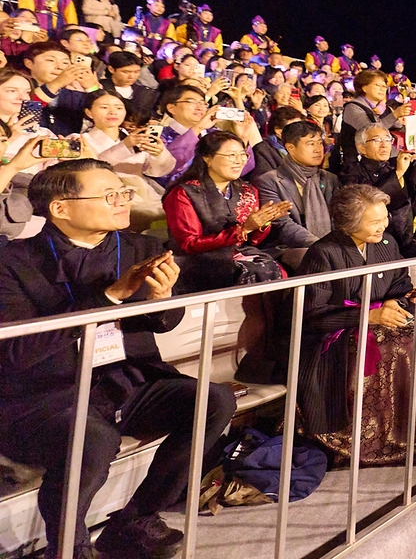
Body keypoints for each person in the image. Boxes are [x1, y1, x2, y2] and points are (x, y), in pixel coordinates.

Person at [0, 159, 236, 558]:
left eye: (124, 192)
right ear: (61, 207)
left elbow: (163, 323)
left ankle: (135, 522)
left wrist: (163, 300)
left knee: (214, 401)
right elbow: (16, 352)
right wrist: (109, 298)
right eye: (110, 195)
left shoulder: (142, 247)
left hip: (128, 378)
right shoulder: (13, 262)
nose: (123, 201)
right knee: (92, 438)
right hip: (48, 392)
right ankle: (70, 549)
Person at [295, 184, 416, 465]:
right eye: (374, 221)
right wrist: (368, 316)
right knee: (398, 348)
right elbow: (312, 314)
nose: (383, 225)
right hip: (336, 333)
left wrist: (393, 303)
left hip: (382, 317)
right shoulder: (324, 253)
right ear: (349, 223)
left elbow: (401, 283)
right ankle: (384, 436)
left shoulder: (386, 243)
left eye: (384, 218)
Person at [162, 131, 291, 291]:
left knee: (274, 268)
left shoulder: (247, 190)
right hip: (197, 259)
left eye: (243, 155)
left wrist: (262, 222)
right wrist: (243, 229)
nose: (240, 161)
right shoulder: (184, 193)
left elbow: (253, 241)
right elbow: (189, 244)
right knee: (252, 271)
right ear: (207, 158)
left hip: (238, 253)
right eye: (231, 155)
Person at [341, 123, 416, 257]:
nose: (384, 144)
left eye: (387, 139)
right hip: (373, 242)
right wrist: (398, 173)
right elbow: (368, 204)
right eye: (377, 140)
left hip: (405, 241)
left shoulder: (393, 165)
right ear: (361, 148)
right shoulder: (351, 171)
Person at [79, 90, 174, 229]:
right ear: (89, 113)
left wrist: (158, 154)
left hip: (144, 193)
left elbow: (158, 171)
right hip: (109, 198)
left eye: (119, 107)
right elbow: (92, 169)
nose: (112, 112)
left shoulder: (134, 137)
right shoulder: (81, 140)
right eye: (104, 107)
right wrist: (125, 146)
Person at [254, 121, 339, 269]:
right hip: (287, 247)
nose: (318, 149)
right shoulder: (270, 181)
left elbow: (338, 218)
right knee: (318, 259)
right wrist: (321, 245)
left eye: (320, 143)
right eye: (311, 144)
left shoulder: (329, 178)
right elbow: (282, 226)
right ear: (291, 148)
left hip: (330, 244)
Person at [331, 69, 410, 172]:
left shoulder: (385, 109)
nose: (382, 89)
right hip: (356, 167)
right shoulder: (352, 107)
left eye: (384, 86)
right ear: (364, 87)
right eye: (378, 85)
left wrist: (410, 120)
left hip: (379, 164)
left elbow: (399, 129)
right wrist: (395, 115)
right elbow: (371, 132)